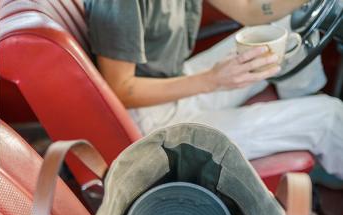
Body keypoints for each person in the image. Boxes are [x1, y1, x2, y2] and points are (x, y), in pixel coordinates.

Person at [85, 0, 343, 179]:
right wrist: (212, 80)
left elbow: (249, 11)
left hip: (179, 80)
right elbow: (121, 90)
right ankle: (321, 133)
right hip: (151, 119)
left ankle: (317, 136)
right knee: (328, 116)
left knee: (285, 29)